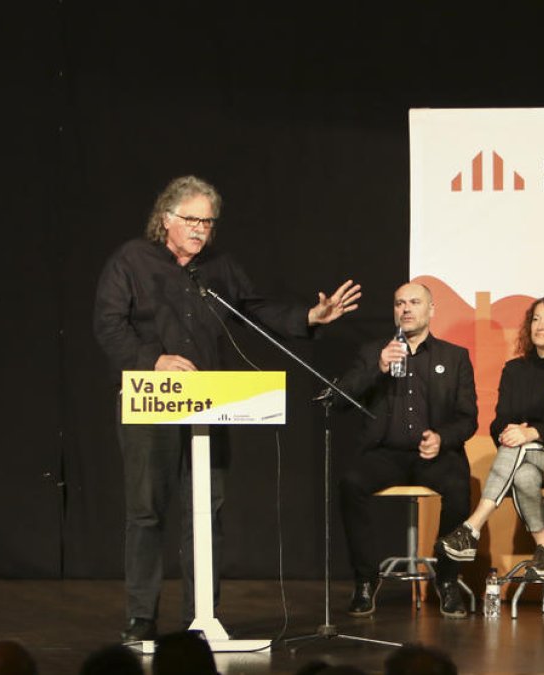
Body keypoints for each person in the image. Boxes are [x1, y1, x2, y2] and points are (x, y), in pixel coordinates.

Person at [93, 175, 361, 642]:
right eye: (192, 220)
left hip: (210, 404)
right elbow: (108, 323)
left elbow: (255, 311)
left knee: (206, 511)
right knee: (147, 512)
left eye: (208, 222)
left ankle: (201, 618)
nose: (201, 230)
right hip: (148, 399)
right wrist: (152, 360)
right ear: (166, 219)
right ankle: (141, 617)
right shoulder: (131, 260)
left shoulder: (218, 268)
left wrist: (308, 318)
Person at [337, 282, 478, 618]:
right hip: (385, 454)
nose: (406, 309)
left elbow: (468, 418)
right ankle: (366, 580)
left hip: (435, 454)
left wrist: (442, 438)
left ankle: (446, 579)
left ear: (431, 310)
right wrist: (379, 367)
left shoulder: (454, 357)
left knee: (460, 487)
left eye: (415, 302)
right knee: (350, 483)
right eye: (399, 303)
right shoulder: (374, 352)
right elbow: (341, 397)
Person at [435, 296, 544, 579]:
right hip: (524, 458)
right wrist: (511, 434)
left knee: (518, 446)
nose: (540, 326)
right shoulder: (514, 370)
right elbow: (499, 422)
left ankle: (471, 527)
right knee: (523, 474)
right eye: (535, 319)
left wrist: (531, 433)